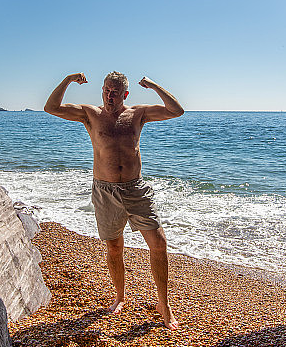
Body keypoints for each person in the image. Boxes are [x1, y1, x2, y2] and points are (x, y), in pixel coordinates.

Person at [44, 71, 184, 329]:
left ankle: (164, 304)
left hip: (136, 190)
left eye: (115, 92)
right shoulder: (90, 114)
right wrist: (67, 80)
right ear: (102, 90)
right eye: (107, 90)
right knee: (114, 248)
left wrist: (153, 85)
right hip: (105, 192)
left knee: (159, 244)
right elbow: (51, 107)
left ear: (125, 95)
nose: (110, 96)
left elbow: (176, 110)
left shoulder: (138, 114)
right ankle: (120, 296)